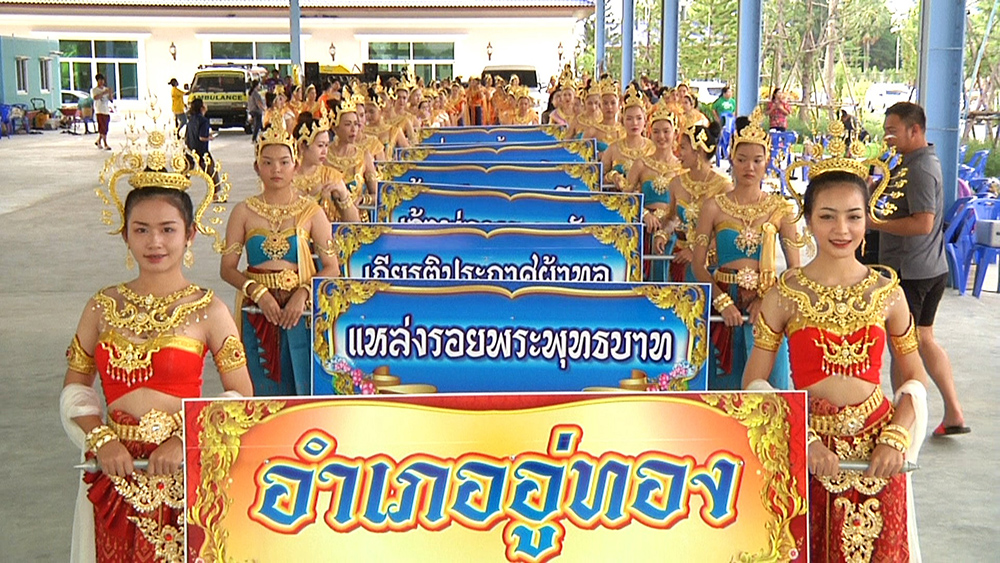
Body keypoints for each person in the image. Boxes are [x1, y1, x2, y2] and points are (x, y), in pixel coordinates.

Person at [62, 119, 252, 562]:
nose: (155, 242)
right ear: (125, 233)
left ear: (190, 234)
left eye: (168, 229)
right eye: (141, 229)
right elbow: (75, 388)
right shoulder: (101, 306)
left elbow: (242, 394)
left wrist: (187, 440)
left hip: (184, 469)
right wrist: (100, 439)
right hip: (114, 469)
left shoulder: (210, 310)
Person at [743, 168, 929, 562]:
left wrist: (897, 436)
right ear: (808, 220)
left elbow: (914, 377)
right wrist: (803, 439)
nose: (842, 229)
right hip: (807, 449)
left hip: (877, 452)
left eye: (853, 216)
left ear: (867, 219)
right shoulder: (784, 295)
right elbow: (754, 382)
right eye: (827, 216)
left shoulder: (888, 293)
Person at [220, 121, 339, 396]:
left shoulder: (311, 212)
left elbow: (332, 267)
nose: (276, 169)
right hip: (256, 310)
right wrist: (258, 292)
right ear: (256, 167)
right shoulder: (243, 211)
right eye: (268, 162)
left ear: (295, 166)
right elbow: (227, 269)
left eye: (284, 162)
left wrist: (303, 293)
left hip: (299, 310)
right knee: (259, 382)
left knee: (301, 380)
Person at [873, 101, 968, 436]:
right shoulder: (907, 163)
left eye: (892, 131)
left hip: (912, 271)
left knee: (902, 347)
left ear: (915, 130)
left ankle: (904, 423)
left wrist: (875, 223)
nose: (887, 137)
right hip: (929, 267)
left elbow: (923, 223)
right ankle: (954, 412)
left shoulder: (920, 169)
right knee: (924, 339)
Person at [692, 109, 802, 390]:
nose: (749, 167)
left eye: (757, 160)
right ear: (731, 158)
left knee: (768, 390)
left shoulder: (780, 209)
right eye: (742, 159)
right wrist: (721, 301)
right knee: (723, 388)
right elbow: (697, 265)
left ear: (768, 161)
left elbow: (795, 271)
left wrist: (767, 298)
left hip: (767, 305)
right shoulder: (713, 206)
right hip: (722, 300)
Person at [663, 122, 731, 283]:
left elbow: (727, 232)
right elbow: (671, 218)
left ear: (698, 150)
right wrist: (661, 235)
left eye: (683, 147)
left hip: (711, 264)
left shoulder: (724, 186)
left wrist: (696, 250)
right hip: (680, 259)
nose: (678, 152)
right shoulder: (676, 183)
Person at [624, 98, 683, 281]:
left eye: (666, 131)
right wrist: (644, 214)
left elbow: (686, 204)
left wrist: (668, 226)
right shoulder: (641, 164)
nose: (661, 136)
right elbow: (626, 198)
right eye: (656, 131)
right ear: (649, 133)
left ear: (675, 133)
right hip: (645, 228)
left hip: (673, 227)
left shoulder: (682, 167)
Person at [291, 111, 360, 223]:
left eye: (326, 145)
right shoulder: (287, 177)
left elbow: (355, 223)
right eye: (320, 145)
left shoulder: (330, 176)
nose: (324, 151)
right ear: (302, 146)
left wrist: (343, 195)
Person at [602, 84, 654, 189]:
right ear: (623, 121)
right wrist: (612, 176)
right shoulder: (613, 149)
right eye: (629, 119)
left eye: (639, 118)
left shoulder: (653, 148)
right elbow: (598, 179)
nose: (634, 123)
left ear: (645, 121)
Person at [91, 73, 113, 150]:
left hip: (106, 110)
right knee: (102, 127)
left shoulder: (106, 89)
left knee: (104, 128)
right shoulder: (94, 90)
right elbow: (95, 97)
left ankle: (98, 141)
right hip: (99, 110)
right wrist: (104, 93)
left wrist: (110, 93)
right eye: (100, 80)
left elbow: (111, 100)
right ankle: (105, 143)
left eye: (102, 80)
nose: (101, 82)